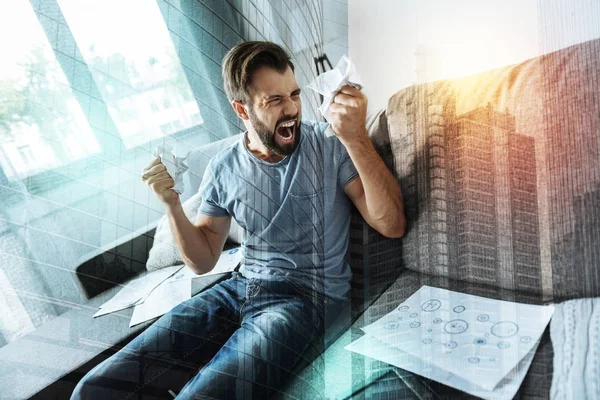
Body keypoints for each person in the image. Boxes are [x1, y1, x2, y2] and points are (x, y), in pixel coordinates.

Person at [71, 41, 405, 400]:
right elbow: (202, 260)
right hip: (239, 289)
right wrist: (171, 205)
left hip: (310, 301)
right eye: (274, 100)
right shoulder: (223, 168)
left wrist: (354, 136)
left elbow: (391, 224)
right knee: (94, 389)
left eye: (294, 94)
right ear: (241, 109)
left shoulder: (328, 145)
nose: (292, 108)